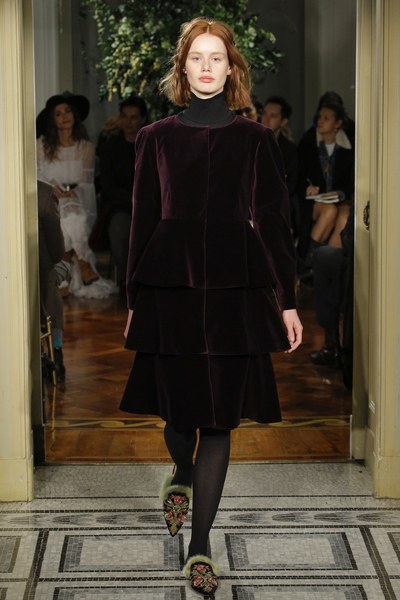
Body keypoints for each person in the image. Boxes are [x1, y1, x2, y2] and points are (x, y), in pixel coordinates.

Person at [120, 17, 302, 596]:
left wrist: (288, 301)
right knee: (179, 418)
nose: (206, 67)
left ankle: (199, 546)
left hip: (233, 293)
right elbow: (142, 221)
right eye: (196, 57)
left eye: (216, 58)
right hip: (169, 291)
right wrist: (133, 300)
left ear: (231, 69)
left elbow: (273, 223)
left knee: (220, 420)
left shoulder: (256, 141)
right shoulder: (155, 138)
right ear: (183, 68)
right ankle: (180, 470)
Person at [36, 91, 117, 299]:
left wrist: (73, 193)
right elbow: (38, 176)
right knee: (66, 213)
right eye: (58, 113)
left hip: (78, 200)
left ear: (75, 115)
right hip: (49, 199)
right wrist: (54, 191)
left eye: (68, 111)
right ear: (52, 120)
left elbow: (86, 184)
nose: (64, 116)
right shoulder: (41, 146)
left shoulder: (86, 148)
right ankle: (82, 262)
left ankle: (63, 273)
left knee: (71, 212)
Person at [297, 101, 354, 282]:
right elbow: (298, 175)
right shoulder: (309, 144)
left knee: (344, 217)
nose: (320, 121)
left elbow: (353, 181)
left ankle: (325, 270)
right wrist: (308, 187)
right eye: (319, 117)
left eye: (326, 118)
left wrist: (341, 194)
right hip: (314, 202)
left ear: (337, 123)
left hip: (340, 200)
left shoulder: (349, 148)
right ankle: (308, 263)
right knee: (330, 211)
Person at [97, 96, 148, 292]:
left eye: (133, 117)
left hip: (151, 205)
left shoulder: (152, 143)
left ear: (143, 119)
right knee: (119, 229)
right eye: (124, 116)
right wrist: (134, 200)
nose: (128, 122)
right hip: (121, 205)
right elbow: (107, 187)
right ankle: (127, 280)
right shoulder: (109, 147)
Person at [37, 180, 67, 382]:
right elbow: (57, 252)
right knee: (54, 276)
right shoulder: (43, 193)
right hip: (39, 282)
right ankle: (56, 351)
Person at [262, 96, 299, 237]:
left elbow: (292, 183)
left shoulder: (290, 150)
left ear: (283, 122)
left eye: (273, 116)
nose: (266, 119)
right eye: (264, 113)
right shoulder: (249, 142)